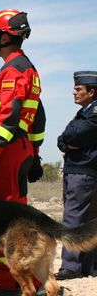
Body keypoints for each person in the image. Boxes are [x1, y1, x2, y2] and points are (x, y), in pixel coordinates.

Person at [0, 9, 45, 294]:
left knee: (5, 221)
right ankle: (29, 280)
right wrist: (35, 154)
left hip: (6, 152)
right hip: (18, 150)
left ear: (5, 38)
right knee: (18, 219)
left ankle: (7, 283)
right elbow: (37, 117)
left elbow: (9, 119)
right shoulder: (26, 67)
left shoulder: (13, 69)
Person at [55, 71, 97, 280]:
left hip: (84, 169)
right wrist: (67, 141)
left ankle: (70, 266)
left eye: (78, 89)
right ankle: (84, 266)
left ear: (91, 92)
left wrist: (68, 140)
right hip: (75, 168)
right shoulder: (83, 113)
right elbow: (64, 138)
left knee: (73, 217)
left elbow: (77, 134)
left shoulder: (94, 113)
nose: (74, 92)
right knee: (81, 217)